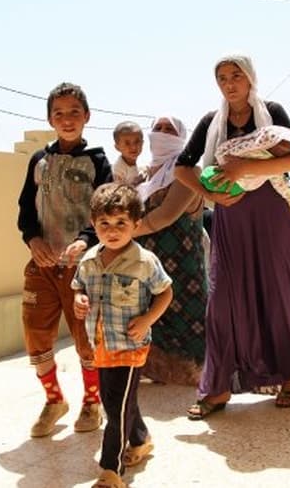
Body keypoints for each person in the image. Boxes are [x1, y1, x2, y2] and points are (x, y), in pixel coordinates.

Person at [172, 53, 290, 416]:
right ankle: (217, 389)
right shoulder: (211, 122)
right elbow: (183, 167)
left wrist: (244, 166)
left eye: (236, 75)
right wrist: (211, 195)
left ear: (250, 78)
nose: (229, 84)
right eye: (222, 78)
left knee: (277, 296)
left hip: (270, 213)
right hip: (230, 217)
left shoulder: (272, 113)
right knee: (222, 303)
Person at [17, 82, 113, 438]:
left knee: (86, 337)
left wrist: (85, 240)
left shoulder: (98, 162)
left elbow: (105, 210)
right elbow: (26, 210)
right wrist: (33, 239)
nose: (67, 119)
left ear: (86, 116)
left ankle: (92, 402)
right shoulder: (38, 161)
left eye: (74, 112)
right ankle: (54, 399)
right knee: (35, 333)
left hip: (83, 269)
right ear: (50, 119)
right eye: (59, 113)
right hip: (42, 266)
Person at [72, 183, 173, 488]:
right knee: (118, 400)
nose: (112, 230)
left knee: (115, 409)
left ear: (136, 224)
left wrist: (147, 320)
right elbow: (78, 286)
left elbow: (165, 293)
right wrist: (79, 299)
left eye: (121, 223)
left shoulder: (144, 261)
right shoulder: (89, 260)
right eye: (104, 223)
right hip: (101, 345)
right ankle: (140, 439)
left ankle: (111, 471)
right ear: (93, 223)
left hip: (130, 346)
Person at [134, 116, 207, 386]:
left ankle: (199, 377)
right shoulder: (143, 177)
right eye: (158, 128)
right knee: (150, 320)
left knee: (189, 325)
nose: (162, 133)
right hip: (147, 269)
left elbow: (164, 215)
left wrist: (123, 232)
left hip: (183, 271)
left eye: (170, 130)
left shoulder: (188, 172)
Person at [112, 121, 146, 185]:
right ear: (117, 147)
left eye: (137, 141)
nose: (133, 147)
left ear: (142, 143)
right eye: (127, 143)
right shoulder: (118, 170)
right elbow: (119, 190)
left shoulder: (142, 165)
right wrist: (136, 183)